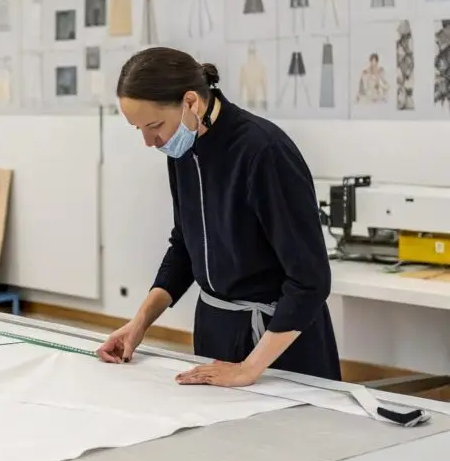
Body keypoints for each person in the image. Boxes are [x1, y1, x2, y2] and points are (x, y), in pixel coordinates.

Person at [97, 47, 339, 386]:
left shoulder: (263, 152)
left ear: (191, 102)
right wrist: (139, 325)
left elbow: (310, 281)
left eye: (153, 125)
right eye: (138, 129)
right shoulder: (183, 149)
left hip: (278, 341)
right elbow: (185, 245)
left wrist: (250, 367)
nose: (149, 142)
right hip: (217, 330)